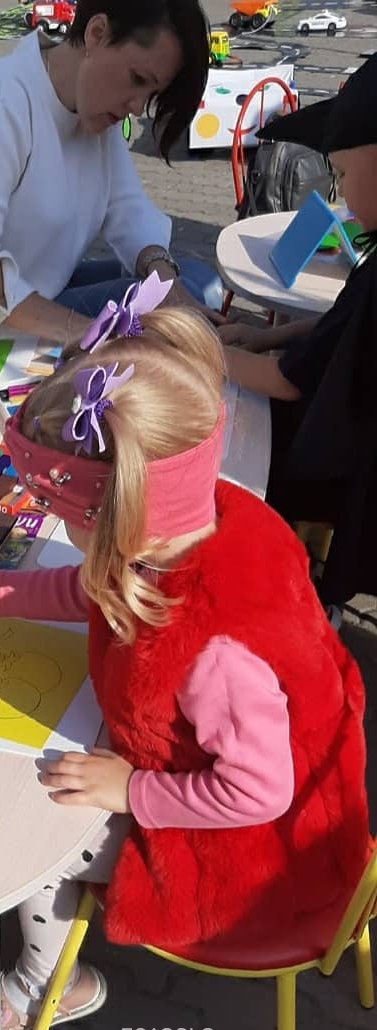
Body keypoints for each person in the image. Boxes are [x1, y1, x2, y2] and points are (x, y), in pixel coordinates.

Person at [0, 292, 371, 1030]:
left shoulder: (218, 655)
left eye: (64, 519)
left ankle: (49, 984)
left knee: (39, 838)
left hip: (250, 858)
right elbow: (96, 586)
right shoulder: (207, 521)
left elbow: (259, 791)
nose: (57, 530)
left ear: (117, 520)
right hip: (244, 771)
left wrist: (130, 790)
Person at [0, 0, 221, 342]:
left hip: (46, 292)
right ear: (97, 33)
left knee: (193, 282)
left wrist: (163, 276)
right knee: (165, 318)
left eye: (150, 94)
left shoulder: (94, 110)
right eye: (137, 79)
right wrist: (93, 336)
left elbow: (127, 208)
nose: (136, 106)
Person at [218, 56, 377, 617]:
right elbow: (342, 324)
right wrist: (259, 335)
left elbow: (289, 382)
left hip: (344, 467)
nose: (342, 196)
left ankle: (292, 597)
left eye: (343, 174)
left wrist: (207, 353)